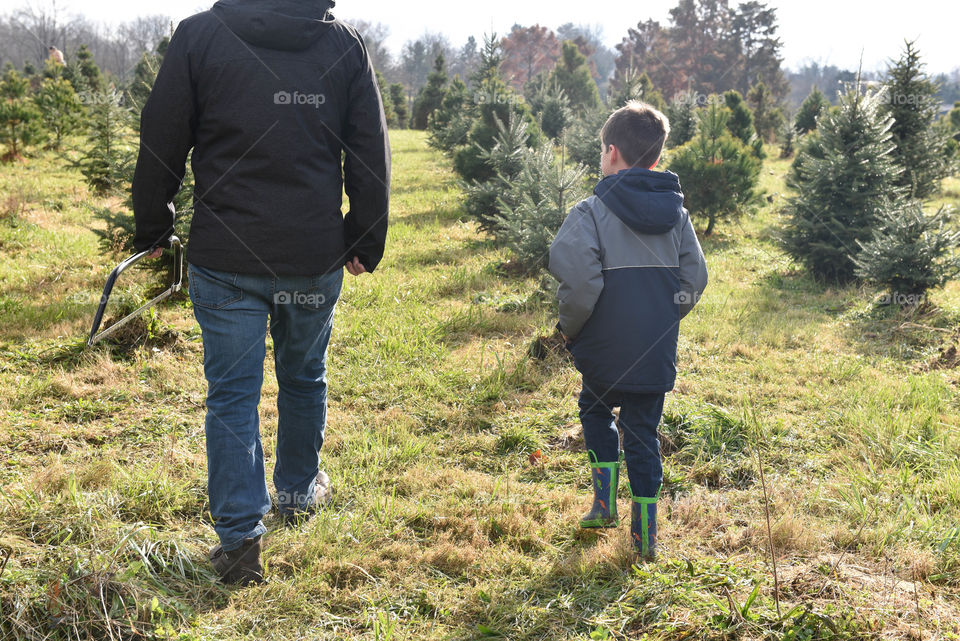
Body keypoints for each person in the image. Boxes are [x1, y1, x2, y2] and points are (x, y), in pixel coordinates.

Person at [131, 0, 390, 586]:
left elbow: (163, 133)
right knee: (303, 376)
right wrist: (364, 235)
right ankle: (298, 490)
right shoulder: (343, 45)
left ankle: (241, 540)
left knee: (231, 394)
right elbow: (369, 149)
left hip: (225, 257)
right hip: (311, 256)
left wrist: (153, 223)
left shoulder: (200, 36)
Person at [548, 101, 707, 561]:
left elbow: (579, 285)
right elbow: (692, 281)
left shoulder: (591, 212)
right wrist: (662, 317)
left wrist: (571, 331)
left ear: (612, 152)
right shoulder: (676, 215)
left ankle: (602, 505)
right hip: (653, 351)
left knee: (594, 410)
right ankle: (646, 537)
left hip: (602, 349)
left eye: (602, 150)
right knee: (643, 431)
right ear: (656, 158)